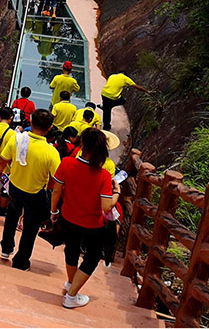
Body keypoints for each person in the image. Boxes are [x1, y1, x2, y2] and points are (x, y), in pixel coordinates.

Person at [51, 127, 120, 309]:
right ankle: (71, 296)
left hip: (68, 216)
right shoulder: (104, 175)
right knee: (92, 257)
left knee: (71, 250)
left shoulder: (66, 163)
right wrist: (117, 193)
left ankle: (71, 283)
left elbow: (56, 190)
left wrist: (53, 212)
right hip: (92, 224)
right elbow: (106, 206)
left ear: (81, 144)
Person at [0, 109, 61, 270]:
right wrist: (49, 187)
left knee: (11, 216)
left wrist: (3, 172)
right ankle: (21, 260)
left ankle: (6, 248)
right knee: (30, 227)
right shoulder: (51, 152)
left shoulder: (16, 140)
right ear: (50, 127)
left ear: (31, 122)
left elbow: (2, 160)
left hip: (15, 185)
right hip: (35, 192)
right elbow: (56, 178)